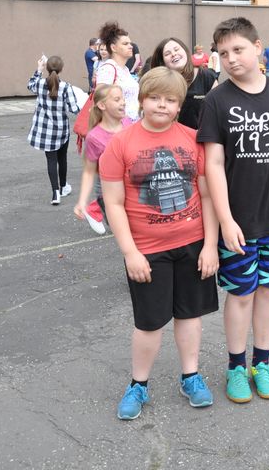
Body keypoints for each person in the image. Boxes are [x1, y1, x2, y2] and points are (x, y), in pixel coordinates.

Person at [198, 17, 269, 404]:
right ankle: (235, 366)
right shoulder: (217, 101)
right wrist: (226, 220)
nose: (231, 58)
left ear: (258, 47)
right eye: (223, 53)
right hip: (239, 223)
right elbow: (213, 164)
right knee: (241, 295)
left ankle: (261, 363)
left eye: (238, 49)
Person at [101, 67, 219, 420]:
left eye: (170, 100)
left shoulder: (193, 139)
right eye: (155, 98)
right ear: (141, 99)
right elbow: (114, 204)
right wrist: (130, 252)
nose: (162, 105)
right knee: (149, 323)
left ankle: (190, 376)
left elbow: (207, 196)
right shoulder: (120, 144)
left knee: (190, 315)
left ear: (180, 105)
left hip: (192, 244)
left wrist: (210, 245)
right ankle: (138, 384)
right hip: (147, 250)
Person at [73, 84, 131, 235]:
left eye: (123, 98)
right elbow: (89, 172)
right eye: (117, 99)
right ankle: (93, 210)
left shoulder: (128, 122)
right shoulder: (94, 137)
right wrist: (82, 201)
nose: (123, 102)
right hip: (109, 191)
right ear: (102, 105)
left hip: (130, 186)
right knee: (125, 232)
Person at [28, 54, 81, 205]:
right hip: (61, 130)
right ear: (61, 69)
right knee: (62, 159)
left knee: (51, 160)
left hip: (45, 131)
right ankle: (63, 187)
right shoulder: (66, 87)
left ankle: (55, 193)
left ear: (47, 67)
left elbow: (30, 85)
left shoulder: (40, 84)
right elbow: (74, 109)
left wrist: (39, 69)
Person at [143, 37, 218, 130]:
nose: (174, 54)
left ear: (185, 51)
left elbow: (217, 113)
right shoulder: (158, 84)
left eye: (176, 49)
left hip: (201, 135)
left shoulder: (207, 77)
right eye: (167, 54)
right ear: (162, 61)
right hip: (170, 135)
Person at [97, 22, 140, 121]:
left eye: (130, 43)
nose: (131, 46)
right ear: (113, 48)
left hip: (132, 124)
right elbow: (100, 99)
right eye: (125, 44)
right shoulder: (108, 69)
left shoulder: (125, 69)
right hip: (119, 125)